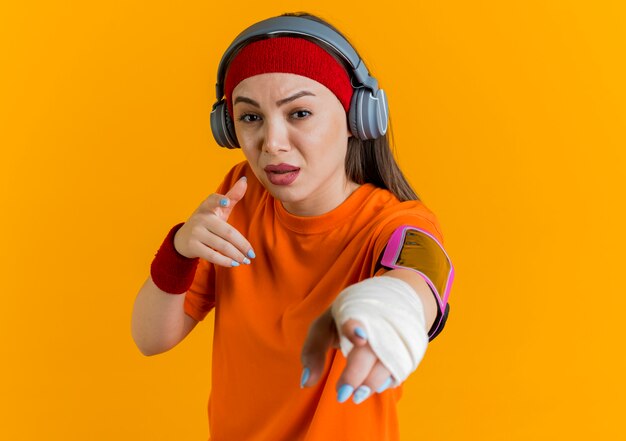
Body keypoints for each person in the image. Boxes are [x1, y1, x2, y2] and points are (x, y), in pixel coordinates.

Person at [131, 12, 454, 441]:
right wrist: (180, 249)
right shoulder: (238, 197)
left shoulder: (396, 224)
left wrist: (389, 309)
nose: (272, 142)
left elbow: (420, 278)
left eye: (299, 112)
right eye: (250, 118)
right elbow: (150, 338)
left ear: (357, 118)